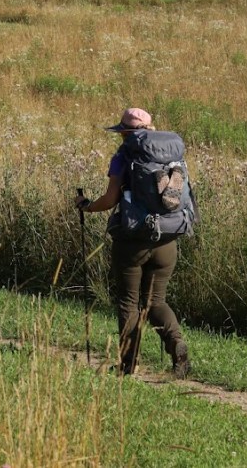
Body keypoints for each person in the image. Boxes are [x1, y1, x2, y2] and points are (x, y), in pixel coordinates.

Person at [75, 107, 191, 378]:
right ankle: (176, 344)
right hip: (167, 239)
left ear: (125, 132)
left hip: (132, 241)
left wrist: (87, 206)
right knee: (156, 302)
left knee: (129, 302)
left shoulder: (124, 156)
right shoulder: (171, 156)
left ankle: (128, 365)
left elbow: (111, 199)